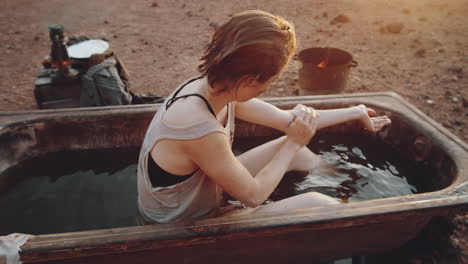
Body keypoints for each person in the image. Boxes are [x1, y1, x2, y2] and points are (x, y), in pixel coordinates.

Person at [137, 10, 391, 223]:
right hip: (181, 225)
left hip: (205, 193)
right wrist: (293, 142)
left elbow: (289, 121)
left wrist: (356, 113)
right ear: (248, 80)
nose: (268, 87)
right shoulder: (199, 127)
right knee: (319, 203)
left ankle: (349, 192)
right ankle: (357, 218)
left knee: (299, 153)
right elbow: (253, 196)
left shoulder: (213, 88)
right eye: (271, 81)